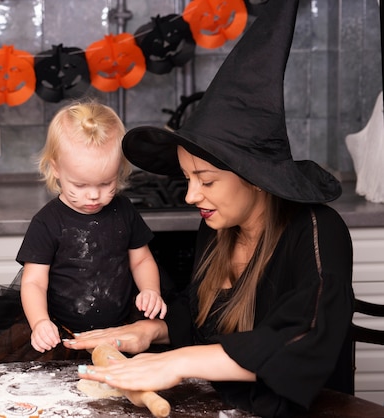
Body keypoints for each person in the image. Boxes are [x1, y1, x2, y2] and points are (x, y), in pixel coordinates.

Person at [64, 1, 354, 417]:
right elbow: (201, 317)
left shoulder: (317, 229)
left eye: (207, 180)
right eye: (188, 179)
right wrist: (152, 332)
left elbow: (303, 337)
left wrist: (176, 362)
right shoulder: (219, 227)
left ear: (254, 176)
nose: (191, 196)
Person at [18, 101, 167, 355]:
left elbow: (141, 261)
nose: (94, 196)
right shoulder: (47, 222)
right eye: (80, 185)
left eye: (106, 183)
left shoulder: (124, 211)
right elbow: (33, 282)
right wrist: (40, 322)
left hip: (120, 332)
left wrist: (150, 289)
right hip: (63, 335)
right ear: (56, 169)